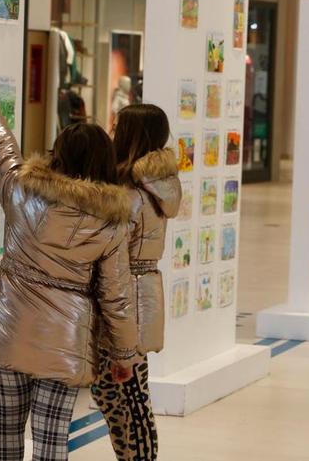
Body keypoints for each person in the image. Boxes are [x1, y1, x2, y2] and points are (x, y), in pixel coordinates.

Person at [0, 76, 138, 461]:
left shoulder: (22, 191)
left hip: (7, 327)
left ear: (58, 153)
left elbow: (1, 148)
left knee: (4, 429)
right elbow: (116, 295)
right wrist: (124, 354)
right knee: (51, 438)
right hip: (66, 341)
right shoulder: (112, 222)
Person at [91, 104, 181, 461]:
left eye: (119, 125)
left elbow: (113, 247)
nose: (112, 129)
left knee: (127, 392)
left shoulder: (131, 192)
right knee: (120, 391)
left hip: (127, 294)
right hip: (137, 290)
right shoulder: (153, 186)